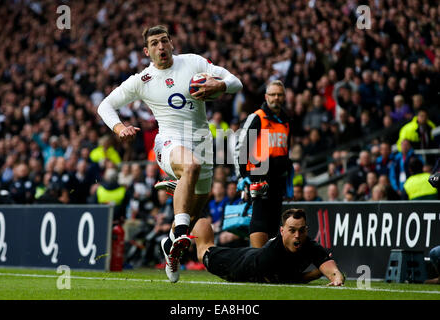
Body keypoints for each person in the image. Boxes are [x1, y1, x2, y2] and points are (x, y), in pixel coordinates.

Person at [97, 25, 242, 283]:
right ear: (147, 51)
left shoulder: (194, 63)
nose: (160, 46)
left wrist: (218, 85)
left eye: (164, 41)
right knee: (191, 167)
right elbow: (105, 105)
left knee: (193, 209)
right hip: (169, 142)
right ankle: (183, 230)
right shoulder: (142, 80)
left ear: (172, 43)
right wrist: (119, 128)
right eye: (154, 43)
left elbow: (236, 82)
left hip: (202, 142)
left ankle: (171, 244)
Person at [192, 208, 344, 285]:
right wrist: (315, 274)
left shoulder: (310, 244)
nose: (297, 235)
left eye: (301, 230)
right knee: (204, 250)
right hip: (237, 265)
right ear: (282, 231)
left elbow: (329, 265)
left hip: (253, 254)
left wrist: (336, 277)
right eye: (292, 231)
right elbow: (284, 281)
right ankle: (188, 215)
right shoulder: (272, 253)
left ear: (306, 230)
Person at [234, 80, 293, 248]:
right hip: (258, 176)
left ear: (284, 97)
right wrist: (242, 177)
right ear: (266, 96)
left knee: (275, 220)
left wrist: (287, 175)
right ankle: (258, 260)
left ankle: (270, 263)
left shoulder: (286, 120)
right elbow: (241, 147)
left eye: (279, 95)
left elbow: (285, 148)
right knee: (260, 217)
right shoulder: (257, 117)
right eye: (273, 94)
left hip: (278, 179)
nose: (276, 98)